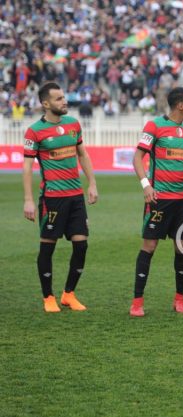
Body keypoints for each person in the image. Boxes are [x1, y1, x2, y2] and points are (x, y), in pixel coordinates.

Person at [22, 82, 98, 313]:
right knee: (48, 248)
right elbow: (27, 168)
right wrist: (27, 199)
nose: (64, 101)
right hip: (52, 199)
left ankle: (68, 294)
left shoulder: (74, 125)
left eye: (64, 97)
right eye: (58, 99)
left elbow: (82, 155)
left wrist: (92, 183)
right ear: (45, 104)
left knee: (81, 245)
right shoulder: (34, 131)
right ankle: (48, 297)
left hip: (76, 197)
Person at [129, 87, 183, 317]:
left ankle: (179, 298)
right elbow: (138, 157)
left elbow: (178, 160)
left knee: (182, 248)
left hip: (182, 200)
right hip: (159, 199)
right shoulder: (155, 126)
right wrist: (146, 185)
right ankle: (137, 301)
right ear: (181, 105)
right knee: (149, 247)